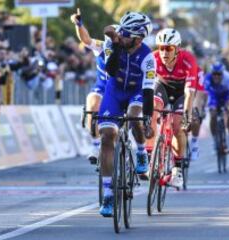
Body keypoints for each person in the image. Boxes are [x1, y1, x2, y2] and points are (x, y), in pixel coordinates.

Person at [74, 11, 155, 217]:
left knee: (135, 115)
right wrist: (116, 43)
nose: (122, 35)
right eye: (122, 31)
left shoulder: (148, 57)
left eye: (126, 34)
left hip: (137, 92)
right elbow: (110, 70)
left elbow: (147, 92)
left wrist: (146, 117)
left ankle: (140, 151)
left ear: (138, 38)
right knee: (107, 136)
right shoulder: (112, 43)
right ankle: (109, 192)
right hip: (114, 91)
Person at [146, 28, 198, 188]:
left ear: (177, 49)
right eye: (161, 47)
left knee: (177, 126)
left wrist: (187, 117)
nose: (164, 52)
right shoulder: (153, 58)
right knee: (152, 110)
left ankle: (177, 168)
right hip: (162, 87)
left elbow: (189, 94)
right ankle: (150, 159)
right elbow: (146, 86)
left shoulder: (188, 60)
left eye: (168, 48)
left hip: (182, 92)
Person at [70, 9, 108, 164]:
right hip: (103, 86)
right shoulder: (102, 46)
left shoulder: (130, 51)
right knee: (92, 101)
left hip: (122, 88)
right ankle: (95, 145)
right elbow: (86, 40)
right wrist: (79, 24)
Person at [205, 62, 229, 154]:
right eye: (214, 74)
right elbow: (205, 95)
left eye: (219, 74)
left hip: (226, 95)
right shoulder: (207, 79)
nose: (216, 76)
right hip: (214, 96)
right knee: (213, 114)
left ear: (223, 73)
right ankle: (215, 140)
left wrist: (228, 106)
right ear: (211, 73)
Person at [190, 67, 208, 161]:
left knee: (195, 118)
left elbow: (200, 92)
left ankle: (194, 142)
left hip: (193, 94)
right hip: (176, 94)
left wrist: (196, 109)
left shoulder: (197, 70)